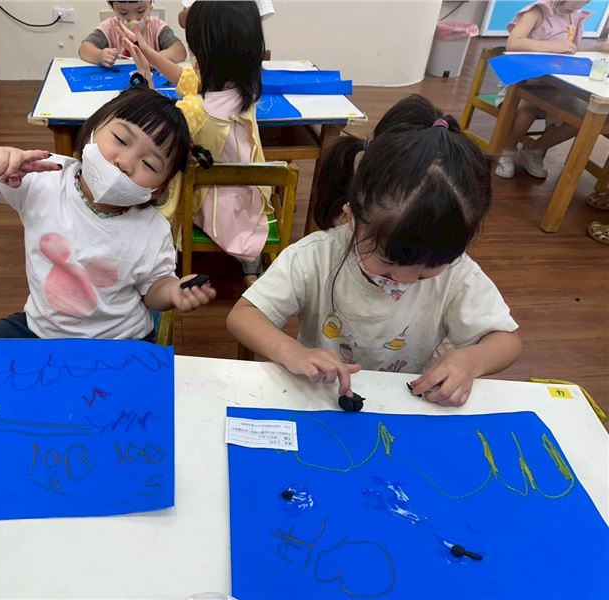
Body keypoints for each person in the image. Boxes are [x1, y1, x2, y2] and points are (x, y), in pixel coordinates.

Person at [227, 95, 522, 407]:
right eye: (389, 264)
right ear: (352, 217)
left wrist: (471, 361)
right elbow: (243, 316)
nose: (404, 281)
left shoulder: (457, 272)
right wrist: (293, 353)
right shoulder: (315, 257)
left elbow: (507, 341)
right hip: (321, 398)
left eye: (426, 272)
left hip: (406, 403)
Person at [0, 86, 216, 340]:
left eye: (149, 165)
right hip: (40, 330)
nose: (125, 162)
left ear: (158, 189)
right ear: (92, 128)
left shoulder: (152, 229)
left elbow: (153, 289)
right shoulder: (44, 176)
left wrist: (173, 291)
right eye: (120, 139)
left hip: (120, 340)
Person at [124, 1, 271, 286]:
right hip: (247, 199)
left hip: (211, 202)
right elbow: (185, 78)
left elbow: (155, 129)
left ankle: (156, 260)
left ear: (203, 53)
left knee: (147, 175)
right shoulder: (245, 90)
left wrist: (145, 79)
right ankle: (251, 266)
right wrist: (148, 51)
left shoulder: (195, 111)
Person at [496, 1, 609, 179]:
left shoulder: (574, 17)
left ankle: (534, 150)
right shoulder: (538, 11)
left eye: (586, 1)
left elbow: (569, 51)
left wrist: (596, 48)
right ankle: (506, 151)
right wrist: (552, 46)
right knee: (526, 112)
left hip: (555, 87)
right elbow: (513, 43)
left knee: (582, 118)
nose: (579, 6)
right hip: (522, 83)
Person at [79, 1, 186, 67]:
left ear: (151, 6)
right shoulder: (109, 27)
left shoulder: (158, 27)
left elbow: (180, 51)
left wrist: (154, 59)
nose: (132, 19)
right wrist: (100, 56)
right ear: (113, 9)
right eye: (123, 12)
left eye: (140, 11)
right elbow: (84, 48)